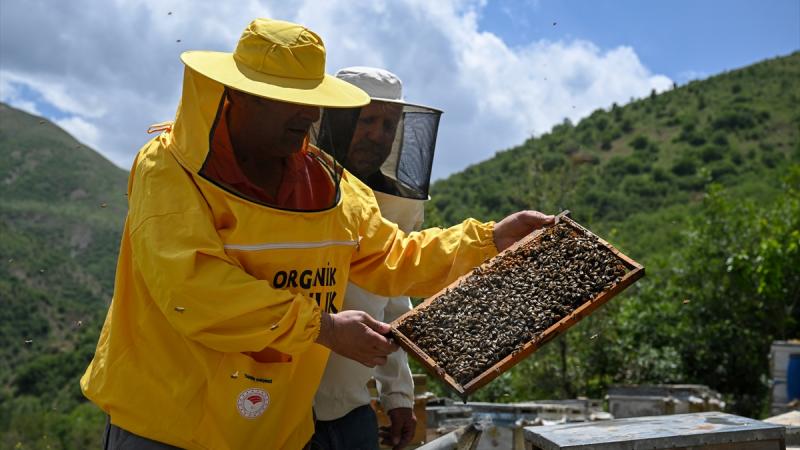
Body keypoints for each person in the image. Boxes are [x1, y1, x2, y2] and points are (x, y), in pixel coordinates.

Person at [80, 18, 554, 450]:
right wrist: (324, 328)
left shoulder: (329, 180)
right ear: (239, 96)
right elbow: (193, 290)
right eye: (289, 100)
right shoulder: (168, 168)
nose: (307, 115)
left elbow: (393, 256)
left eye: (311, 100)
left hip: (276, 428)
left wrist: (489, 241)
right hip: (166, 428)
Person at [312, 66, 442, 450]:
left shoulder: (394, 202)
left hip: (351, 407)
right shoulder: (295, 184)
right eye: (366, 120)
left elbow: (394, 298)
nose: (378, 135)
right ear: (336, 120)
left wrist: (398, 395)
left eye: (389, 125)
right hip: (275, 403)